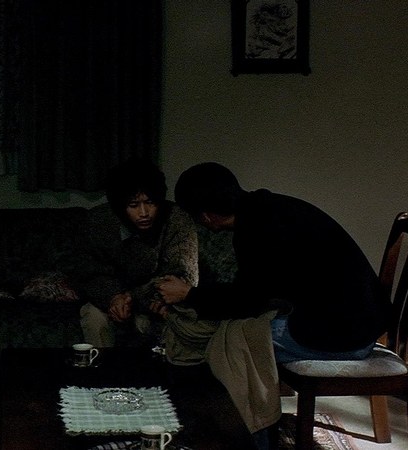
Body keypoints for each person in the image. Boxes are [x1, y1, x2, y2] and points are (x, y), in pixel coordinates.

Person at [156, 162, 391, 449]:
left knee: (233, 341)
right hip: (357, 321)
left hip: (345, 336)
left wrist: (189, 294)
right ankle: (244, 427)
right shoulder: (266, 208)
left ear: (205, 216)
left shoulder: (258, 230)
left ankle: (253, 439)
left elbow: (246, 300)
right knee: (237, 331)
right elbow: (258, 291)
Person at [75, 158, 214, 365]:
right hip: (116, 301)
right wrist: (113, 298)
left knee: (182, 317)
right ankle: (103, 376)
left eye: (150, 203)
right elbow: (89, 272)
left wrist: (132, 297)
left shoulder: (177, 219)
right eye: (134, 205)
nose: (144, 213)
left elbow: (182, 276)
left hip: (158, 302)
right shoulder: (98, 221)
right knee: (93, 316)